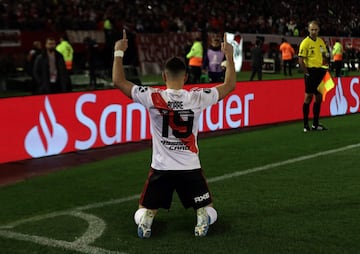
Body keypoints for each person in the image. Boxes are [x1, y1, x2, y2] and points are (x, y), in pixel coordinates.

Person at [112, 30, 236, 238]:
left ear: (163, 76)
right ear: (186, 77)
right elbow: (230, 85)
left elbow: (119, 81)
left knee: (142, 208)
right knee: (210, 209)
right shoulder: (197, 97)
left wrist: (118, 52)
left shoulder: (153, 96)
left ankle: (147, 217)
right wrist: (229, 56)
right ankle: (202, 215)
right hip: (190, 168)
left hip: (161, 169)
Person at [298, 20, 329, 132]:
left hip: (320, 72)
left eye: (315, 29)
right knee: (308, 97)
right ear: (308, 30)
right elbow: (300, 60)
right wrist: (306, 72)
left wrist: (325, 66)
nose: (314, 31)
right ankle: (306, 125)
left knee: (319, 97)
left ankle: (315, 124)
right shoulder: (305, 43)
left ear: (318, 30)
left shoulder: (321, 42)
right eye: (312, 29)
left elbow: (325, 55)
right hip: (310, 72)